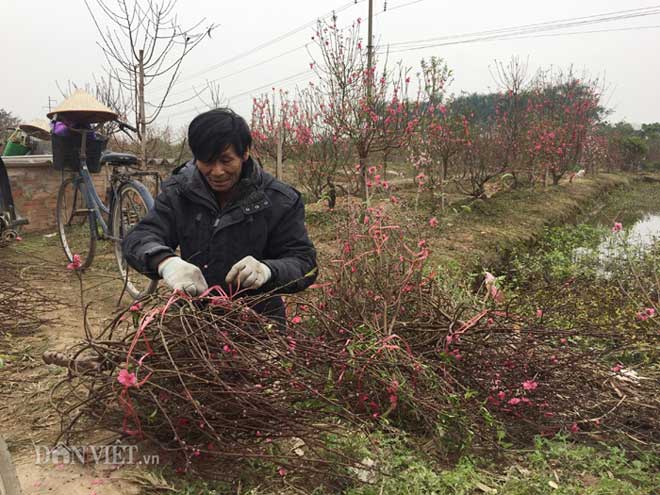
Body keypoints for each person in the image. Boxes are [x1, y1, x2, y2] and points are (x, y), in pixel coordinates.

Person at [122, 108, 318, 321]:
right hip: (195, 319)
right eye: (207, 161)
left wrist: (267, 270)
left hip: (260, 321)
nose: (216, 171)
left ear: (245, 153)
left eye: (226, 160)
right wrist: (166, 262)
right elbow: (139, 238)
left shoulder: (279, 200)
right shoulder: (179, 192)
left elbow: (303, 261)